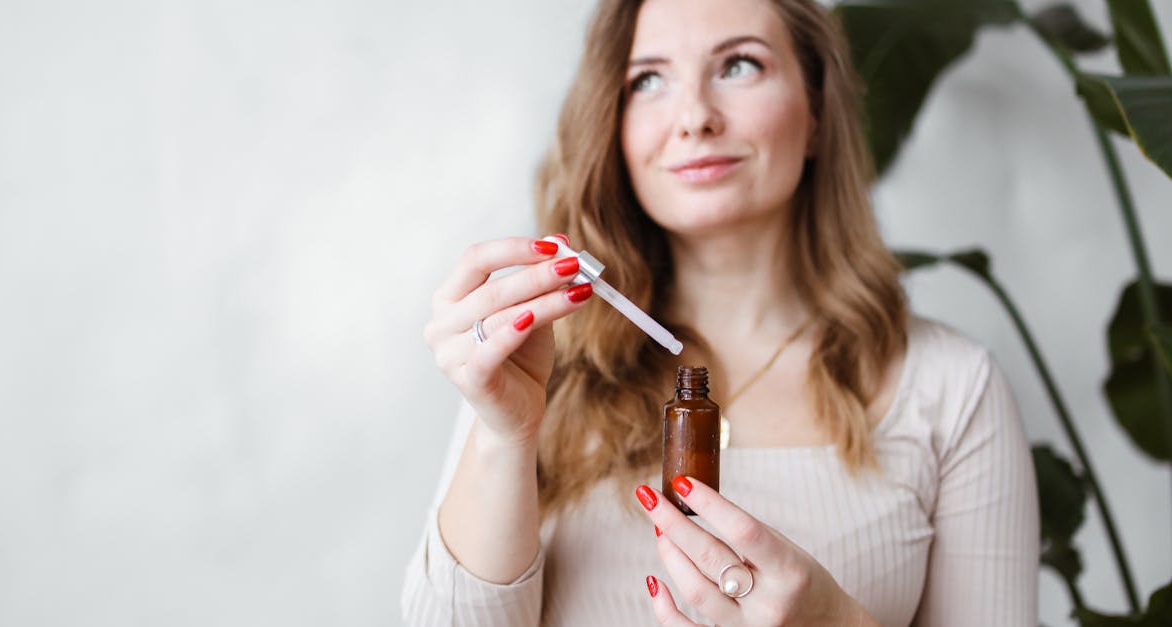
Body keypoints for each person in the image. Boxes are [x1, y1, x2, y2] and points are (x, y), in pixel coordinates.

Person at [402, 0, 1039, 624]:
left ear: (816, 111)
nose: (695, 117)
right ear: (613, 124)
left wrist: (834, 622)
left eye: (739, 65)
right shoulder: (536, 366)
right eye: (648, 79)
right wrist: (503, 435)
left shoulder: (950, 388)